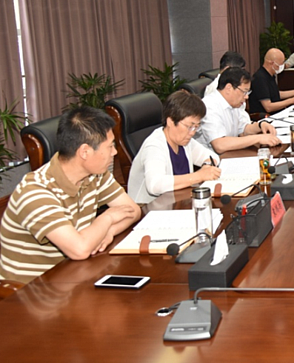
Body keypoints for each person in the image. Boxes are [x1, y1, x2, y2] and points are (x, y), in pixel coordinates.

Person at [0, 107, 141, 284]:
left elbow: (133, 211)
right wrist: (107, 218)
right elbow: (79, 249)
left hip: (74, 275)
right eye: (110, 146)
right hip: (31, 290)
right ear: (84, 152)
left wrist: (109, 232)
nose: (114, 152)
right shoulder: (36, 191)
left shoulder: (95, 174)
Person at [127, 91, 221, 204]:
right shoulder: (154, 146)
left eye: (196, 127)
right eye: (189, 126)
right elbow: (155, 185)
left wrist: (207, 167)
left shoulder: (184, 141)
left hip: (177, 203)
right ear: (170, 121)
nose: (192, 132)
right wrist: (198, 176)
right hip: (148, 208)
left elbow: (213, 157)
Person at [196, 67, 281, 152]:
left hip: (230, 154)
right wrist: (258, 138)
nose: (246, 97)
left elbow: (243, 129)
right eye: (244, 91)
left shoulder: (235, 103)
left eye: (248, 92)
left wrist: (260, 125)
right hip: (211, 158)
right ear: (229, 88)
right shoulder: (209, 106)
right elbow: (219, 145)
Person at [251, 49, 294, 114]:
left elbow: (275, 94)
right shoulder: (260, 78)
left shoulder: (270, 75)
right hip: (266, 116)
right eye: (281, 64)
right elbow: (268, 107)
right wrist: (292, 100)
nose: (282, 66)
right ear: (271, 63)